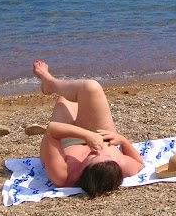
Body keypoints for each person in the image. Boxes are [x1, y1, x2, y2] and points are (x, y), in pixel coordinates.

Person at [32, 60, 145, 197]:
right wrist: (123, 141)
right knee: (91, 88)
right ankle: (50, 82)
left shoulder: (63, 176)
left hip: (62, 139)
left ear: (83, 172)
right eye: (106, 155)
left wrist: (87, 136)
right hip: (100, 134)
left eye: (92, 156)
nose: (96, 150)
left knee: (65, 99)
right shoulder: (117, 165)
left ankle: (51, 85)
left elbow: (52, 130)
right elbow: (139, 163)